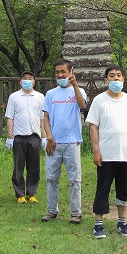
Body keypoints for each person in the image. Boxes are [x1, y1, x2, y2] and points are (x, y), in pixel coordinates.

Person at [85, 65, 127, 239]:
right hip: (106, 155)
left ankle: (122, 222)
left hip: (125, 155)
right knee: (102, 188)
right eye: (112, 76)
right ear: (106, 80)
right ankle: (98, 223)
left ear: (123, 79)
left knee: (123, 189)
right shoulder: (99, 100)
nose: (116, 79)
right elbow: (93, 127)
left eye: (119, 76)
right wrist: (96, 151)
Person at [41, 59, 87, 224]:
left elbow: (82, 105)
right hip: (54, 143)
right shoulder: (51, 94)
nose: (60, 75)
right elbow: (45, 117)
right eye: (57, 72)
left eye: (63, 72)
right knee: (51, 178)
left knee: (74, 179)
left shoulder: (78, 91)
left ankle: (76, 212)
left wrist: (75, 86)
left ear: (70, 72)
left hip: (72, 142)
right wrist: (49, 137)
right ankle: (52, 210)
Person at [5, 71, 46, 204]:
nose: (28, 81)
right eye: (25, 79)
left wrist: (44, 136)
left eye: (30, 78)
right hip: (19, 137)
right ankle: (20, 194)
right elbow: (10, 117)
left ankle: (32, 193)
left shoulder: (40, 97)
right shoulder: (14, 97)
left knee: (34, 167)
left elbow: (42, 119)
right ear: (20, 81)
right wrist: (10, 137)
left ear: (34, 81)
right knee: (18, 167)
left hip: (34, 137)